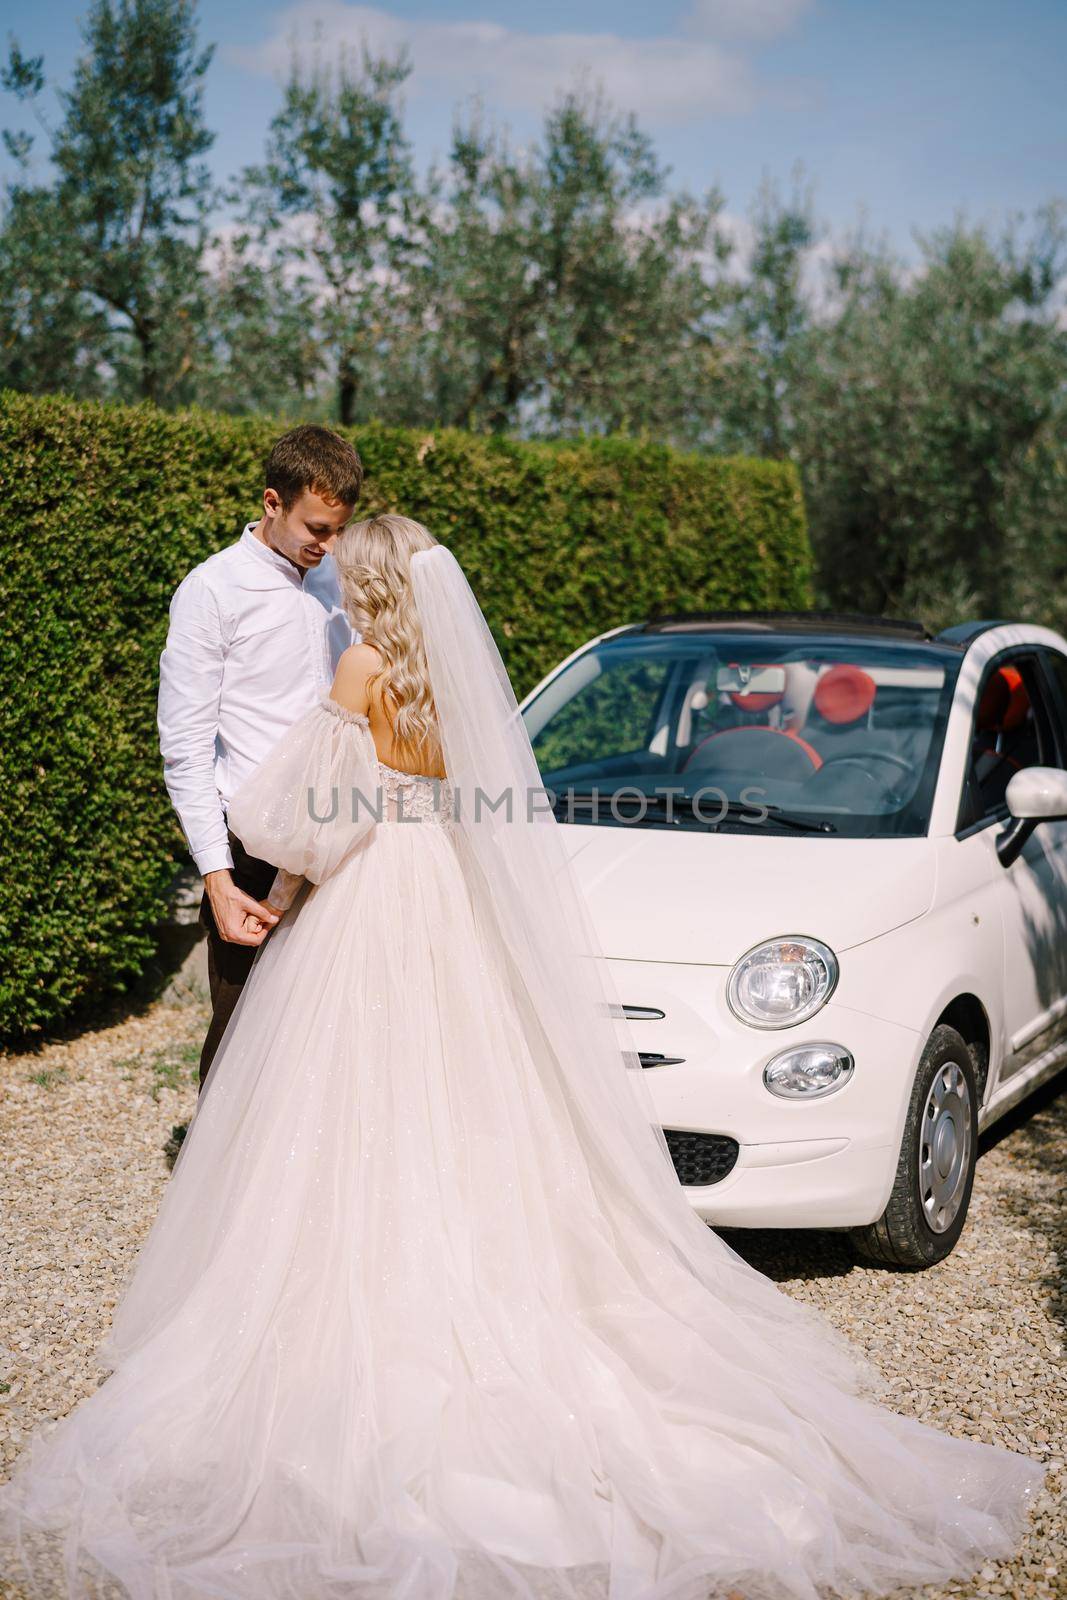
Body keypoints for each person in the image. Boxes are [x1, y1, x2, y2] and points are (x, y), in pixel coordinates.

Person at [0, 517, 1046, 1600]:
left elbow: (316, 819)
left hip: (368, 903)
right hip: (446, 900)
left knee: (350, 1098)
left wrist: (268, 899)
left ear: (368, 587)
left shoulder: (357, 668)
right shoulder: (451, 683)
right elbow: (482, 811)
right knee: (460, 1091)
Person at [156, 424, 361, 1090]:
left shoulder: (337, 580)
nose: (327, 546)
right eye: (317, 529)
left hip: (340, 835)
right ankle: (210, 1185)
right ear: (272, 502)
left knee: (332, 1023)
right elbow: (185, 748)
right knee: (241, 1027)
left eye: (337, 530)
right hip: (252, 847)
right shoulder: (211, 592)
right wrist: (217, 879)